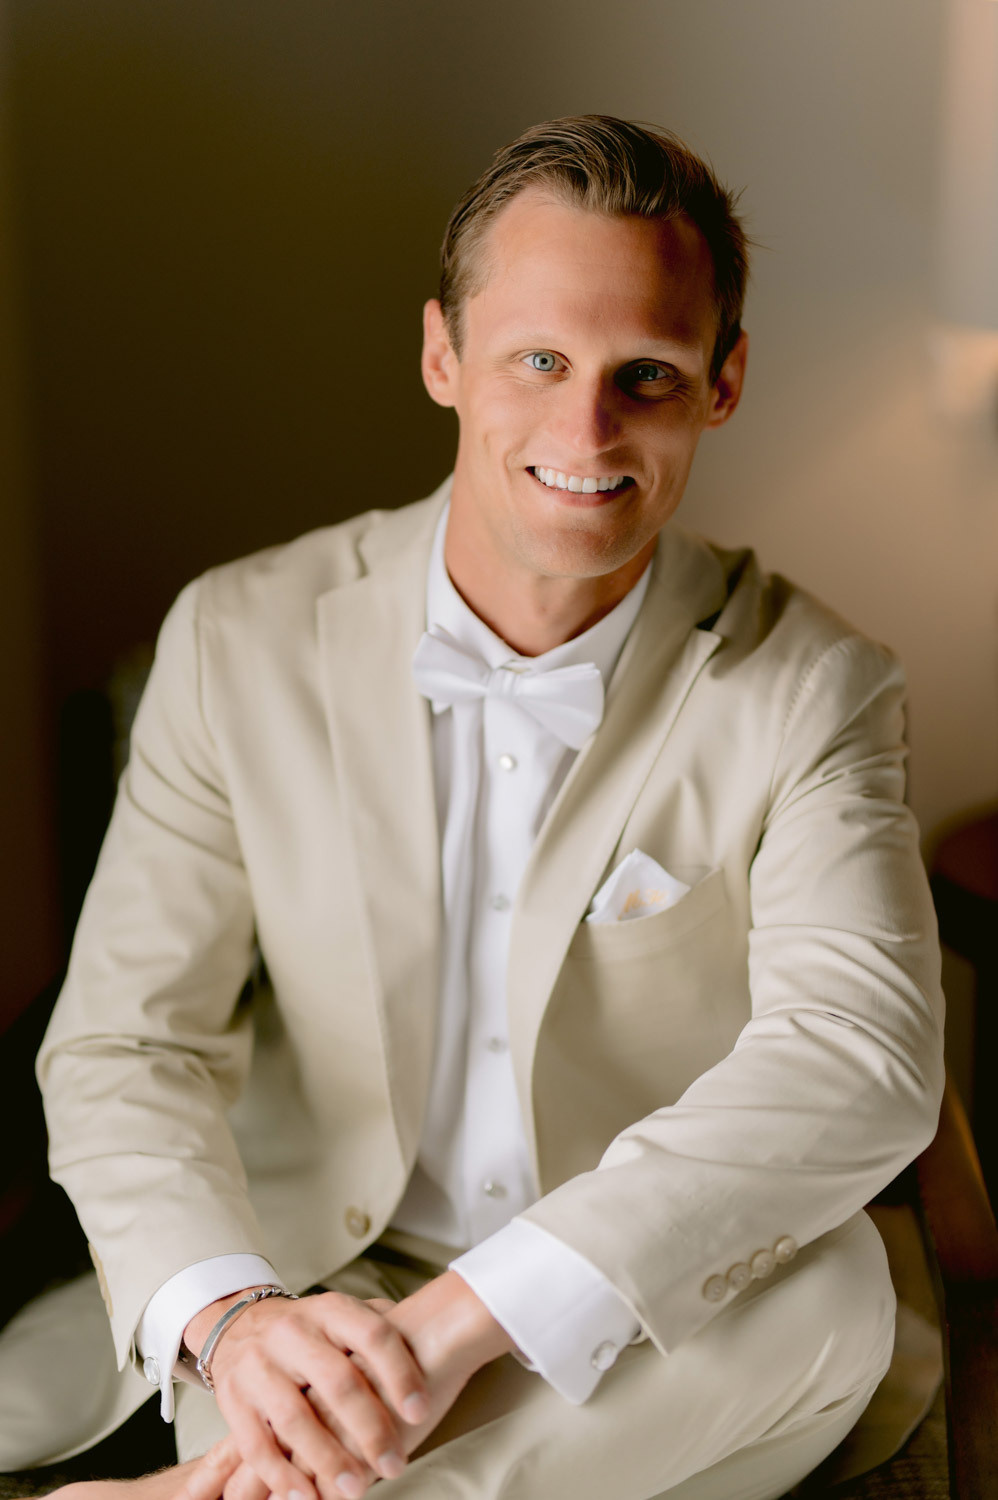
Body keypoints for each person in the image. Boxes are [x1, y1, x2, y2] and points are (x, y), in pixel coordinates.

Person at [4, 115, 943, 1500]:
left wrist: (465, 1321)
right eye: (540, 363)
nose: (585, 431)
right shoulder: (237, 638)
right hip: (304, 1310)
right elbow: (122, 1046)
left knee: (841, 1292)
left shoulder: (816, 686)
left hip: (631, 1300)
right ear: (442, 355)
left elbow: (859, 1061)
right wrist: (233, 1321)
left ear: (723, 383)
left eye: (647, 376)